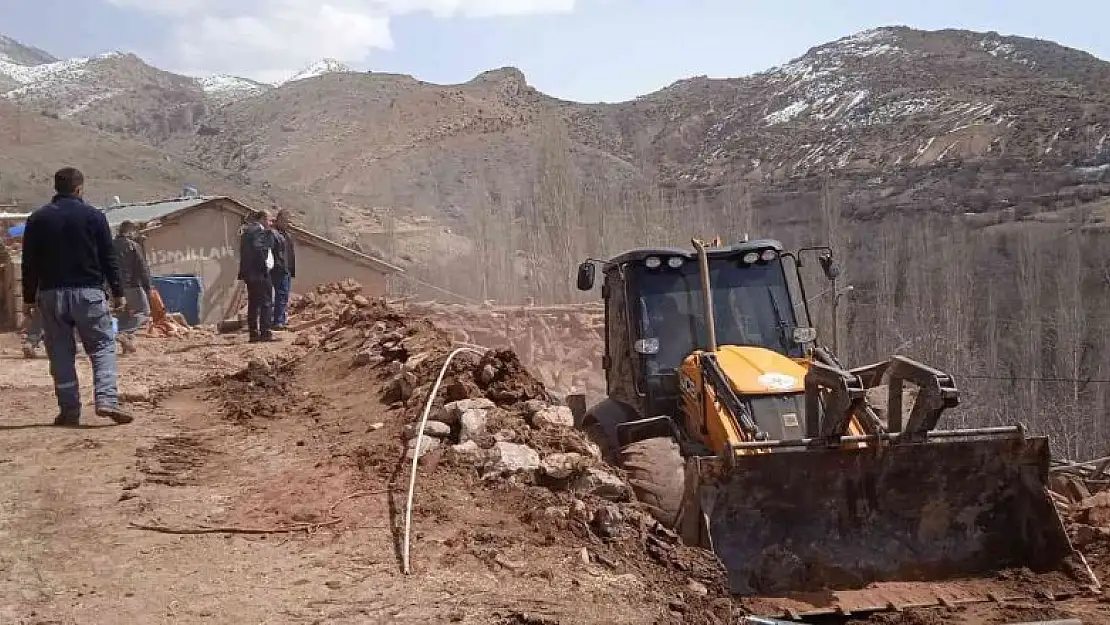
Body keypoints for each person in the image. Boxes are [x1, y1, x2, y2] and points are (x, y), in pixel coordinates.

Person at [21, 167, 134, 426]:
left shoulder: (38, 219)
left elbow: (29, 263)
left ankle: (69, 410)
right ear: (79, 189)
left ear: (56, 188)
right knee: (103, 346)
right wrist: (118, 292)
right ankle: (106, 399)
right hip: (89, 294)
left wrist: (28, 298)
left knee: (60, 353)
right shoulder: (94, 216)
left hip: (51, 295)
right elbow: (108, 258)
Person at [238, 209, 278, 343]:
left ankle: (253, 333)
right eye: (269, 220)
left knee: (253, 303)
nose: (271, 223)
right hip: (259, 273)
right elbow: (258, 249)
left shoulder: (247, 231)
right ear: (261, 219)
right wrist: (264, 266)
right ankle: (265, 332)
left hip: (250, 274)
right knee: (266, 302)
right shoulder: (257, 231)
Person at [112, 220, 152, 354]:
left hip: (114, 287)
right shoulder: (133, 246)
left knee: (124, 315)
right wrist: (148, 287)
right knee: (144, 312)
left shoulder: (110, 245)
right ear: (130, 231)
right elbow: (142, 268)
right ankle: (123, 333)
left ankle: (127, 345)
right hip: (132, 285)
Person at [269, 208, 296, 330]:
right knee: (280, 295)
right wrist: (278, 265)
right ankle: (277, 321)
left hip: (287, 269)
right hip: (278, 269)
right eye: (286, 221)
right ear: (279, 220)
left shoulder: (286, 234)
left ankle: (281, 319)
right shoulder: (273, 233)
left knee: (284, 295)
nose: (288, 224)